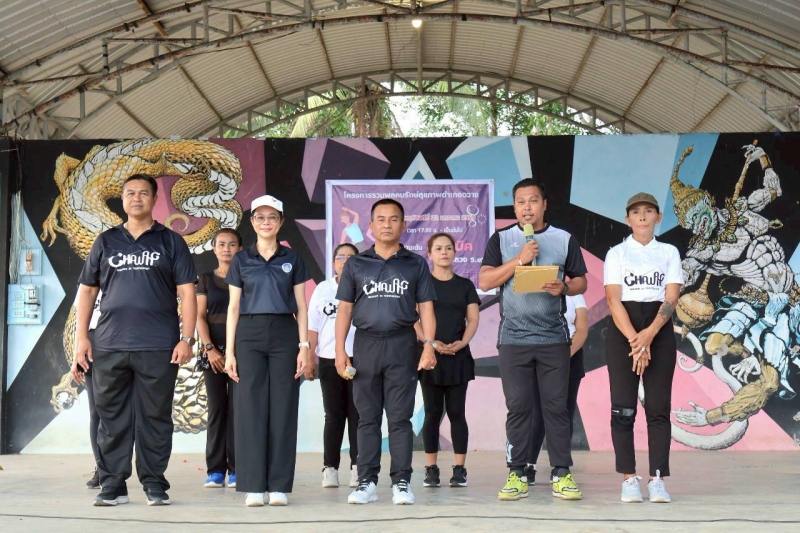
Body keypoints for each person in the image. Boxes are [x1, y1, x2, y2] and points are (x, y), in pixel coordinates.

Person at [72, 173, 197, 507]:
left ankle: (154, 484)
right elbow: (87, 292)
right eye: (130, 193)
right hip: (109, 344)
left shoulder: (171, 241)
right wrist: (82, 337)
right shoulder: (106, 241)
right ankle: (113, 485)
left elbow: (187, 293)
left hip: (159, 345)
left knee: (155, 418)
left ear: (155, 199)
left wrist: (187, 338)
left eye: (143, 193)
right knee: (111, 419)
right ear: (123, 199)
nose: (136, 198)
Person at [479, 178, 588, 502]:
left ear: (544, 204)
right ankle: (517, 472)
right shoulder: (501, 239)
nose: (527, 207)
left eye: (533, 200)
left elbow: (581, 281)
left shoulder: (563, 239)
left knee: (556, 407)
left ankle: (561, 473)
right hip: (513, 339)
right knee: (518, 408)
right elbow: (485, 280)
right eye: (521, 201)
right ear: (514, 207)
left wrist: (564, 287)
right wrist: (519, 260)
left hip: (553, 339)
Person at [335, 198, 437, 506]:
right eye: (380, 219)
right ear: (370, 226)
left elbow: (426, 308)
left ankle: (401, 482)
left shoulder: (415, 263)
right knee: (367, 418)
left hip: (402, 344)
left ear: (403, 226)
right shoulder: (356, 264)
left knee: (400, 418)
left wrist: (429, 345)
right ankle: (366, 482)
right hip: (365, 344)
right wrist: (340, 350)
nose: (387, 224)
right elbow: (345, 310)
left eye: (393, 219)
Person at [224, 195, 311, 508]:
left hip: (285, 333)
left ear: (281, 222)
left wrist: (304, 346)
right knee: (250, 408)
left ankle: (278, 486)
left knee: (283, 407)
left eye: (272, 217)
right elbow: (233, 308)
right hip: (248, 334)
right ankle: (252, 485)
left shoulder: (293, 258)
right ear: (252, 222)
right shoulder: (241, 260)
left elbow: (301, 306)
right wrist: (229, 352)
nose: (266, 222)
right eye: (260, 217)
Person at [603, 192, 682, 503]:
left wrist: (648, 336)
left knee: (659, 408)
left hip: (657, 331)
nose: (642, 216)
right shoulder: (616, 253)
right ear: (628, 219)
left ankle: (657, 478)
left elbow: (671, 298)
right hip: (624, 332)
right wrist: (636, 342)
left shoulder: (669, 252)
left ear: (658, 217)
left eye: (649, 211)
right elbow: (613, 300)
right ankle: (628, 478)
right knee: (623, 408)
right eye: (636, 212)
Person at [415, 233, 480, 488]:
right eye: (439, 248)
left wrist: (462, 342)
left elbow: (473, 318)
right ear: (429, 254)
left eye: (449, 248)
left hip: (457, 356)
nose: (444, 252)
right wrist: (430, 343)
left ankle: (459, 469)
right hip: (430, 356)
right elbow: (413, 319)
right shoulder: (422, 285)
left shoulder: (465, 285)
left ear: (455, 252)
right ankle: (431, 469)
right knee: (432, 413)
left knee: (456, 413)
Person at [308, 243, 360, 489]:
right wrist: (309, 356)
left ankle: (358, 467)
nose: (346, 260)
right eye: (341, 256)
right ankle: (330, 468)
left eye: (351, 257)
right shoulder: (323, 289)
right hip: (330, 359)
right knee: (333, 415)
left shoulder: (364, 287)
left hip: (360, 359)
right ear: (333, 262)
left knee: (358, 415)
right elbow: (312, 325)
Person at [524, 293, 588, 485]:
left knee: (564, 413)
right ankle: (529, 464)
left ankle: (560, 467)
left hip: (570, 356)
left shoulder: (575, 293)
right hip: (539, 355)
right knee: (537, 412)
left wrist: (563, 357)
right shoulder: (532, 290)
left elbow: (582, 329)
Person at [196, 229, 242, 489]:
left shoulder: (246, 278)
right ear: (213, 248)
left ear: (240, 249)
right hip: (212, 353)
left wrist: (234, 352)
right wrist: (210, 349)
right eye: (221, 244)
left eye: (232, 244)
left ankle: (236, 470)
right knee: (217, 410)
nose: (226, 249)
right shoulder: (204, 279)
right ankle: (215, 471)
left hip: (241, 353)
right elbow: (199, 317)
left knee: (238, 411)